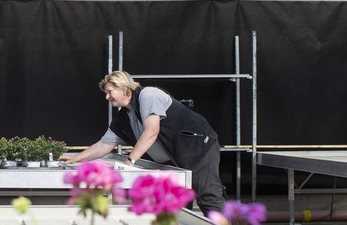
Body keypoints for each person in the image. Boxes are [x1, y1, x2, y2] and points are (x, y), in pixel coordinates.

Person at [60, 70, 225, 215]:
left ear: (124, 88)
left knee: (208, 197)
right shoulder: (124, 116)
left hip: (198, 148)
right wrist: (76, 158)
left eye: (110, 91)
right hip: (176, 160)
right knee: (176, 203)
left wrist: (130, 161)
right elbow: (104, 145)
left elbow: (152, 130)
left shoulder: (148, 95)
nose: (107, 97)